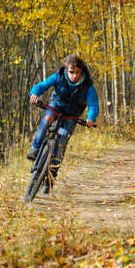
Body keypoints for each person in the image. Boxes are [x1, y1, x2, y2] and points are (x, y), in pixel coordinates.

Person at [27, 54, 99, 193]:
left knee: (62, 141)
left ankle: (50, 179)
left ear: (81, 71)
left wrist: (91, 118)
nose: (74, 75)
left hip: (72, 113)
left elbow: (93, 104)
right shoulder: (58, 76)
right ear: (66, 70)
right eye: (71, 72)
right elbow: (42, 86)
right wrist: (34, 94)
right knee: (47, 121)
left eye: (77, 72)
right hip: (57, 105)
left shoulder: (88, 85)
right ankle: (35, 149)